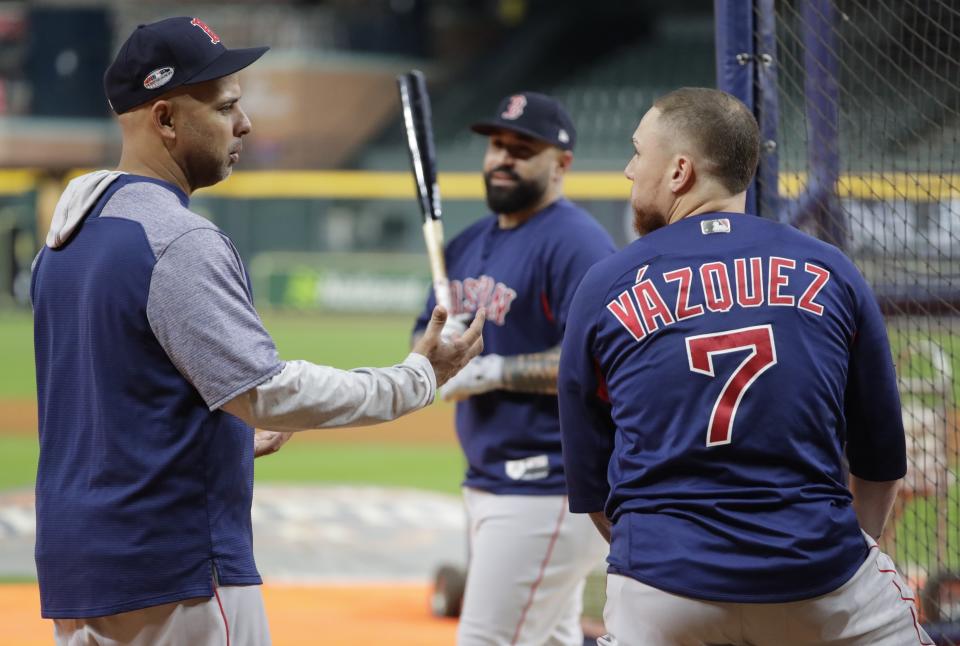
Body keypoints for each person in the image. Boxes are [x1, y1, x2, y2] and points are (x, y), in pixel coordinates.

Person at [31, 16, 483, 646]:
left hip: (79, 574)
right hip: (177, 572)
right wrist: (416, 378)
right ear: (164, 119)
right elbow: (267, 393)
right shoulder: (178, 240)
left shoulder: (64, 243)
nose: (244, 124)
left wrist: (221, 447)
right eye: (226, 107)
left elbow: (113, 412)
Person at [557, 86, 932, 646]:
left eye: (639, 153)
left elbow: (591, 490)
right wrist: (818, 567)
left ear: (680, 171)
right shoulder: (831, 269)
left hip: (660, 588)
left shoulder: (606, 284)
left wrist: (677, 574)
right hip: (816, 576)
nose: (630, 170)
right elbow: (881, 466)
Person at [412, 92, 615, 646]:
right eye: (497, 145)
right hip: (492, 481)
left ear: (561, 164)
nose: (503, 158)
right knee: (549, 638)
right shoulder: (467, 243)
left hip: (548, 485)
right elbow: (419, 340)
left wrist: (492, 370)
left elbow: (591, 363)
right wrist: (436, 351)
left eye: (522, 149)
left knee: (486, 638)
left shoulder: (577, 244)